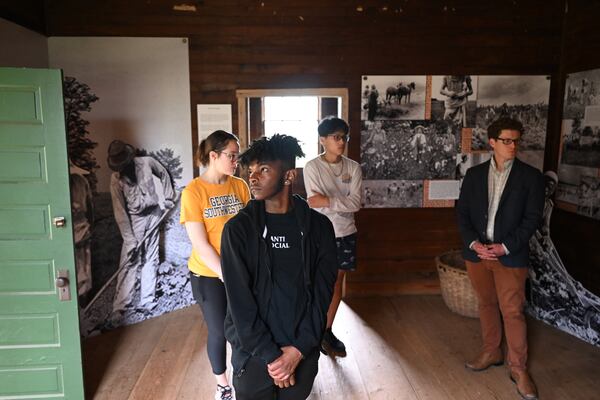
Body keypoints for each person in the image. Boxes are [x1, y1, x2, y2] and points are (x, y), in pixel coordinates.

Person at [221, 134, 338, 400]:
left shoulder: (320, 229)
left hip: (301, 350)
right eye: (250, 170)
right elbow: (239, 303)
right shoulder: (238, 231)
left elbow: (322, 297)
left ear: (288, 176)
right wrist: (274, 358)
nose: (253, 177)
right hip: (254, 353)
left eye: (263, 170)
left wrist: (296, 351)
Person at [457, 117, 544, 400]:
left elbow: (531, 220)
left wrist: (505, 247)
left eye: (516, 140)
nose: (513, 146)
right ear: (492, 142)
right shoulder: (474, 175)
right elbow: (463, 214)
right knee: (486, 303)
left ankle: (518, 369)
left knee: (513, 311)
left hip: (509, 255)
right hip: (478, 253)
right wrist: (473, 243)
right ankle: (491, 351)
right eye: (506, 140)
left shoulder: (531, 177)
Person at [180, 130, 250, 400]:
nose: (236, 162)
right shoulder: (193, 192)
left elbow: (250, 230)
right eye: (231, 156)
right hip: (208, 275)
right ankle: (223, 385)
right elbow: (201, 244)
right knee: (219, 331)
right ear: (213, 156)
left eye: (237, 156)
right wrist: (227, 275)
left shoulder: (240, 186)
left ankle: (245, 377)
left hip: (241, 271)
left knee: (243, 328)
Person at [303, 116, 362, 357]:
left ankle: (326, 331)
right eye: (336, 137)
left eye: (344, 137)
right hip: (319, 233)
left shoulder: (353, 167)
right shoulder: (312, 167)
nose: (341, 142)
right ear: (322, 140)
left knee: (337, 283)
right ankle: (310, 331)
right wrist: (339, 202)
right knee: (315, 283)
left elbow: (355, 203)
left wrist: (327, 200)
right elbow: (313, 205)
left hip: (346, 233)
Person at [108, 140, 176, 317]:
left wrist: (169, 196)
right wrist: (130, 240)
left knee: (151, 258)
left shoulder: (146, 162)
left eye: (124, 164)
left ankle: (147, 300)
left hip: (154, 214)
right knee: (130, 260)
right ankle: (121, 305)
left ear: (130, 159)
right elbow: (120, 212)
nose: (122, 168)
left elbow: (163, 173)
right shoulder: (116, 179)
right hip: (135, 220)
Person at [69, 161, 94, 301]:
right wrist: (91, 223)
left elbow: (89, 206)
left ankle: (80, 295)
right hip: (80, 226)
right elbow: (90, 207)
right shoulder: (82, 180)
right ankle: (82, 294)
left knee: (79, 261)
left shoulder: (77, 181)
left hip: (76, 226)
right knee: (83, 262)